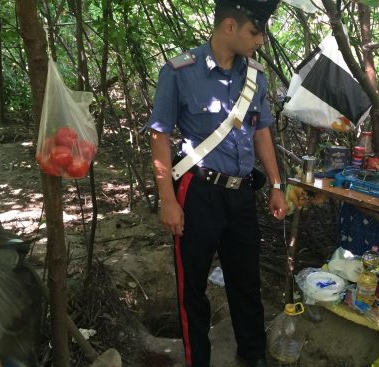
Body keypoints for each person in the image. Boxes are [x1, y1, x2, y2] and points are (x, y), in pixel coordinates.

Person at [146, 1, 285, 366]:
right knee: (192, 287)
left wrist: (275, 183)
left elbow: (262, 131)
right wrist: (167, 201)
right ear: (229, 26)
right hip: (197, 193)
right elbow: (159, 136)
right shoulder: (179, 72)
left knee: (246, 282)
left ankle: (253, 356)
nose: (260, 41)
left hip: (241, 196)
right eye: (255, 33)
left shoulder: (255, 77)